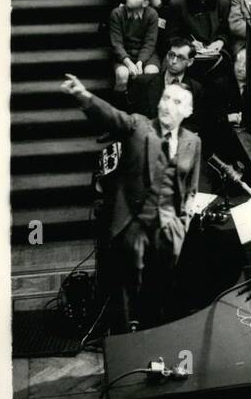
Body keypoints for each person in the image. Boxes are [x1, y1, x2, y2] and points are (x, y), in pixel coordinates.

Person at [62, 72, 200, 330]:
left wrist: (183, 222)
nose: (169, 105)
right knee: (127, 286)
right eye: (166, 98)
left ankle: (154, 335)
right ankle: (125, 340)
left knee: (159, 287)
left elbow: (190, 187)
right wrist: (84, 96)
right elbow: (111, 116)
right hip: (133, 222)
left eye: (178, 102)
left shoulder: (193, 142)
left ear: (189, 111)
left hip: (168, 226)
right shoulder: (138, 126)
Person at [108, 0, 160, 96]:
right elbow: (116, 44)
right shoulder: (117, 13)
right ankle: (120, 106)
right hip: (124, 54)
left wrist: (140, 62)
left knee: (151, 73)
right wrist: (129, 63)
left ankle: (144, 109)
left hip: (146, 54)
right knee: (122, 74)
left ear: (145, 2)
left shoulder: (152, 15)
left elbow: (150, 43)